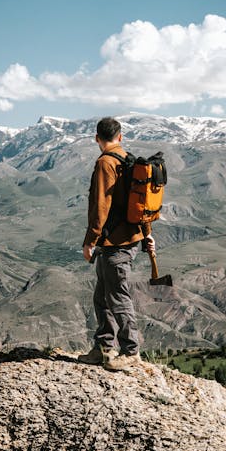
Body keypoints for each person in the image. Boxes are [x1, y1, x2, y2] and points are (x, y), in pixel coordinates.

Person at [79, 117, 155, 370]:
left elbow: (101, 206)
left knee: (117, 297)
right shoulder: (129, 160)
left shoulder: (106, 163)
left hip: (116, 244)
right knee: (102, 296)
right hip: (124, 240)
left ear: (97, 138)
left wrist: (89, 241)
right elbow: (141, 205)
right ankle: (103, 349)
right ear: (120, 137)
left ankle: (131, 350)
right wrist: (146, 233)